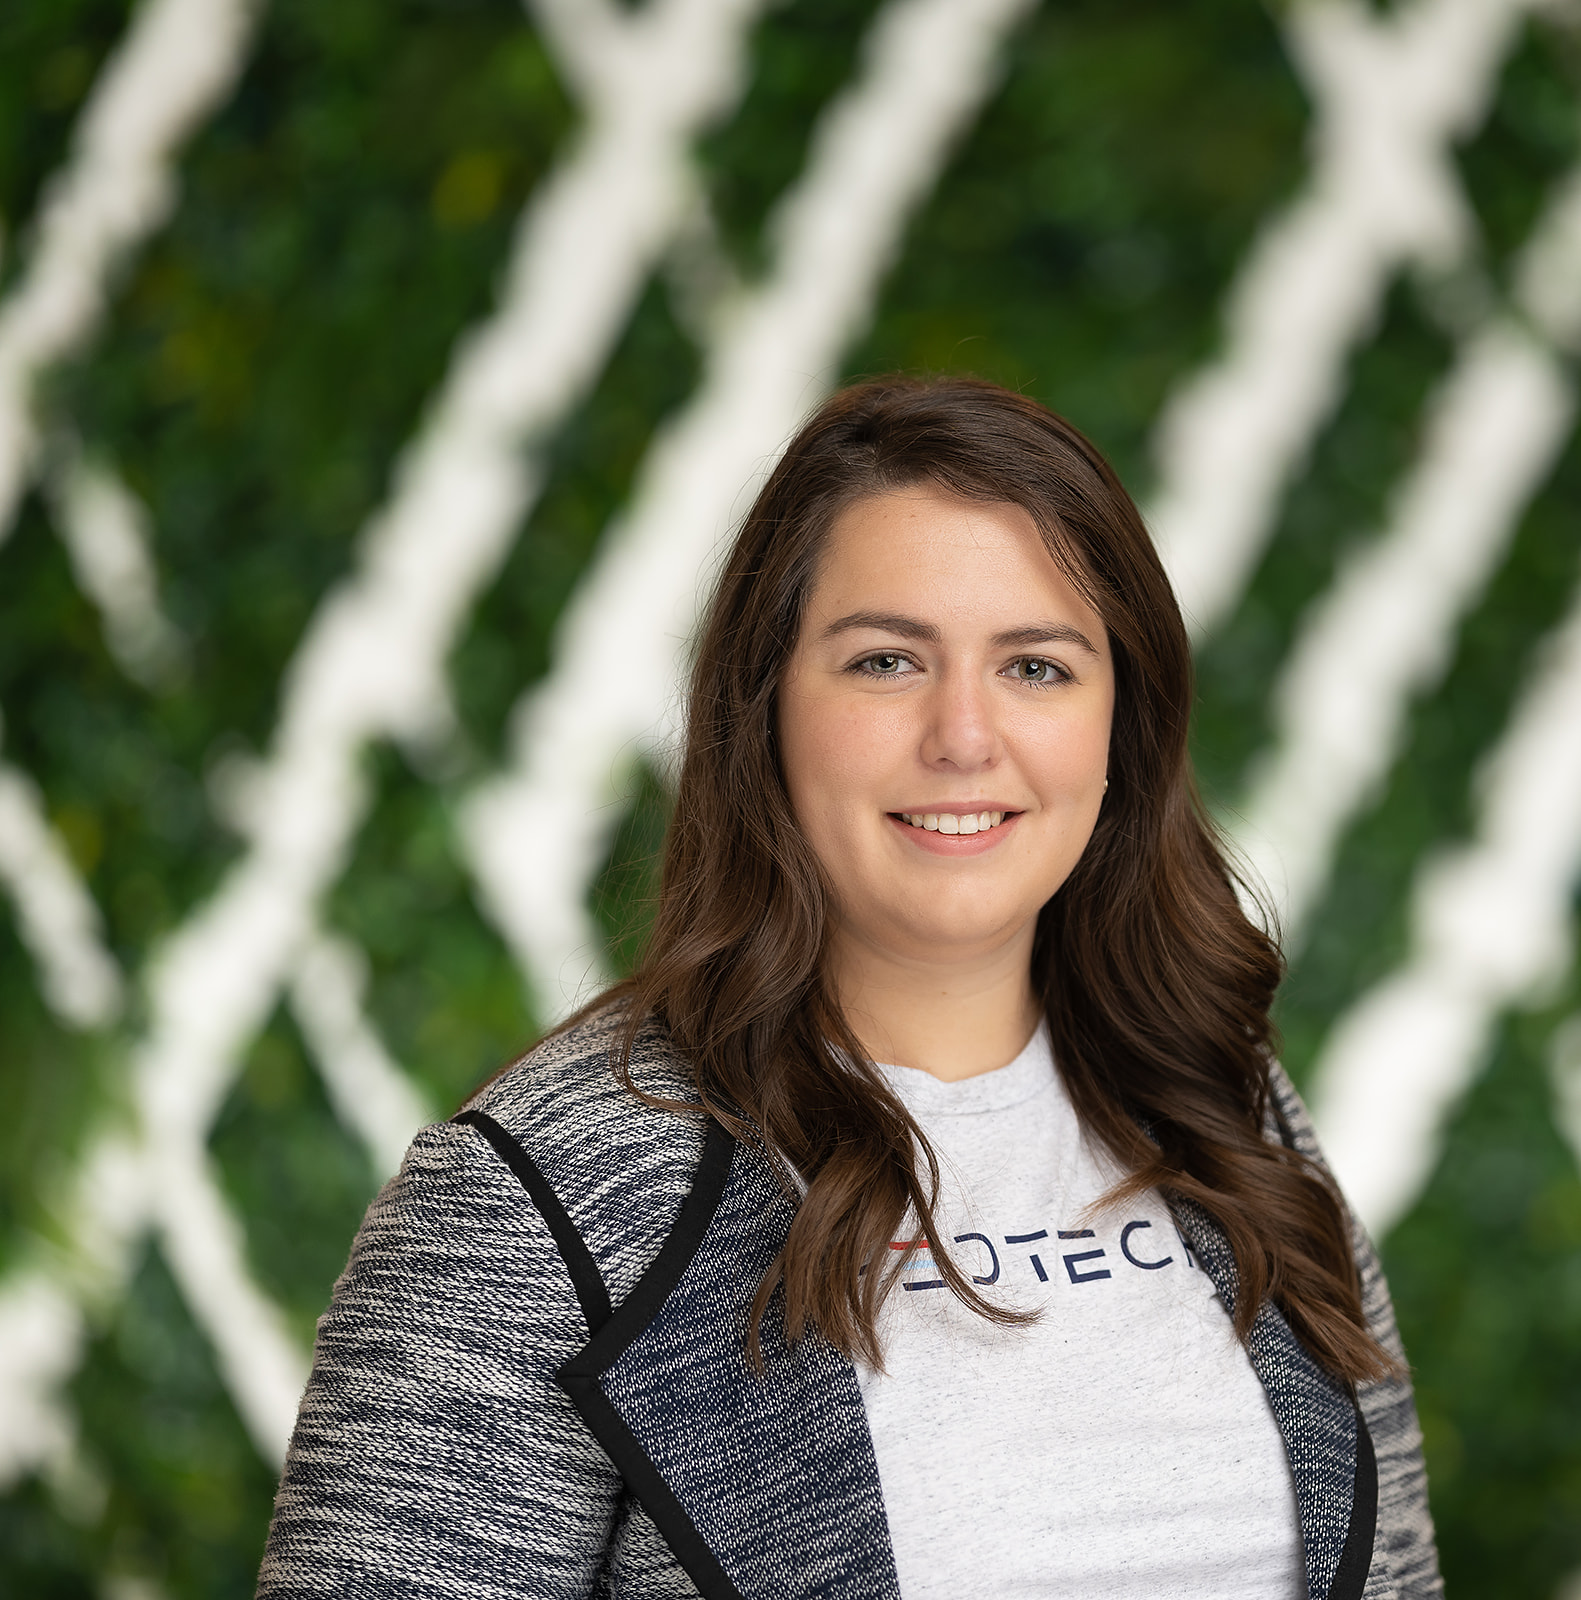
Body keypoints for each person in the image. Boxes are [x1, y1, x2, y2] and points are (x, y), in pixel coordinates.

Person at [257, 377, 1441, 1599]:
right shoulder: (541, 1202)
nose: (965, 736)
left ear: (1120, 729)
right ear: (763, 707)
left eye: (1037, 667)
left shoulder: (1230, 1119)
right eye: (886, 661)